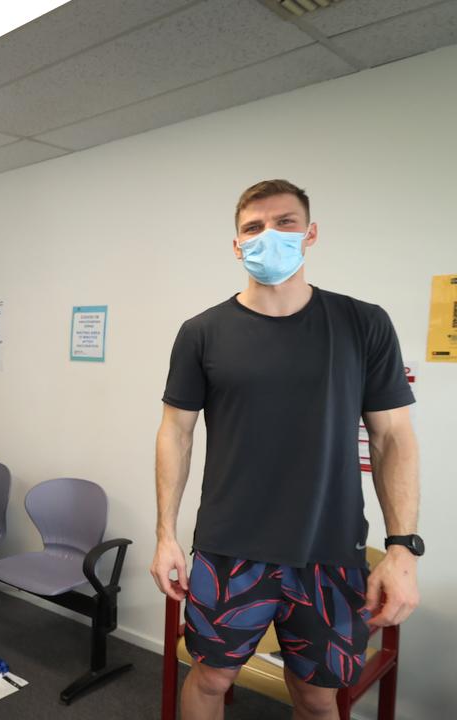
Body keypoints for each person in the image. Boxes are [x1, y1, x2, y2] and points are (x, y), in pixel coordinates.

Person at [151, 180, 422, 720]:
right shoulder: (201, 333)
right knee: (209, 677)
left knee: (319, 697)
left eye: (285, 223)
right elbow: (175, 432)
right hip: (228, 549)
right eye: (253, 227)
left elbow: (393, 436)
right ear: (236, 244)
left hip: (329, 551)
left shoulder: (362, 324)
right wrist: (165, 534)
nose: (268, 236)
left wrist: (402, 548)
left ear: (311, 233)